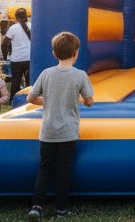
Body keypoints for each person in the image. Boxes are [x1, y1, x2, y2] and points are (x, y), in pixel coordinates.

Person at [26, 32, 95, 220]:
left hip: (47, 131)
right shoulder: (80, 75)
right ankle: (61, 209)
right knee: (63, 170)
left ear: (54, 53)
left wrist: (48, 101)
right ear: (76, 53)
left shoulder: (46, 73)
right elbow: (90, 101)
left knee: (44, 168)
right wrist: (82, 100)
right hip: (68, 132)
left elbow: (30, 98)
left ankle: (36, 206)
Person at [7, 8, 33, 101]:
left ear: (16, 17)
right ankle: (30, 99)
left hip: (17, 59)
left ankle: (13, 100)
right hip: (30, 58)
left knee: (15, 80)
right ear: (26, 16)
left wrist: (5, 55)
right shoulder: (32, 25)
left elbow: (4, 43)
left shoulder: (13, 28)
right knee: (29, 81)